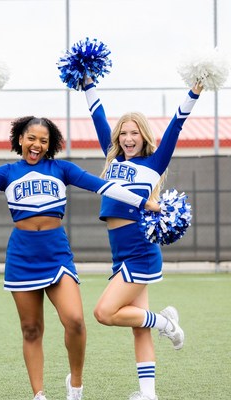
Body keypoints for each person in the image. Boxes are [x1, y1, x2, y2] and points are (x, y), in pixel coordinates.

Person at [0, 115, 160, 400]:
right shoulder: (6, 173)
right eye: (31, 138)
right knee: (31, 329)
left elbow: (102, 186)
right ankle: (39, 394)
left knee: (75, 321)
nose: (37, 145)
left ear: (50, 144)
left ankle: (75, 386)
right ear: (20, 139)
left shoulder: (62, 169)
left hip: (56, 253)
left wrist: (144, 202)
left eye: (44, 141)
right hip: (22, 256)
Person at [83, 76, 203, 400]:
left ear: (143, 136)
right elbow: (97, 115)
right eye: (123, 132)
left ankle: (166, 323)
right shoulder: (111, 162)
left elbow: (177, 125)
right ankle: (148, 394)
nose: (128, 138)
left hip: (140, 250)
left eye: (134, 132)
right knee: (138, 326)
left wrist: (193, 92)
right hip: (119, 252)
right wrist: (87, 83)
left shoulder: (154, 163)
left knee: (104, 313)